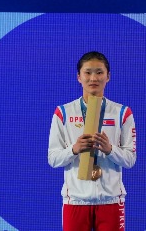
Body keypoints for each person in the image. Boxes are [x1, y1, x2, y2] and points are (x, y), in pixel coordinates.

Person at [48, 51, 136, 231]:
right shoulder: (63, 112)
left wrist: (110, 149)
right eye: (87, 72)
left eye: (99, 72)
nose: (93, 78)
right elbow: (53, 159)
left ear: (108, 76)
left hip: (111, 201)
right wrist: (74, 149)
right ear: (79, 77)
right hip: (75, 201)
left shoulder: (122, 113)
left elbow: (130, 160)